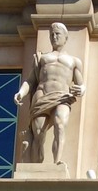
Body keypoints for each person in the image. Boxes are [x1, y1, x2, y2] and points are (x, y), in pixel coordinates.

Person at [14, 22, 85, 165]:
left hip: (62, 96)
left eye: (57, 34)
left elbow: (81, 83)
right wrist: (21, 92)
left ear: (66, 37)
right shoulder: (41, 58)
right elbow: (31, 80)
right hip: (41, 95)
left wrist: (82, 89)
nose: (54, 37)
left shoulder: (74, 61)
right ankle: (35, 166)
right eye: (52, 34)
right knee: (39, 134)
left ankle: (57, 161)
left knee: (60, 125)